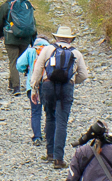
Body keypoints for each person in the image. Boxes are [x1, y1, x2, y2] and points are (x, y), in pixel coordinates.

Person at [35, 25, 89, 169]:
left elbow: (38, 68)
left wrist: (34, 87)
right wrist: (71, 81)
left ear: (57, 37)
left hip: (48, 85)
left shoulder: (48, 49)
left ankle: (50, 153)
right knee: (62, 121)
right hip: (66, 87)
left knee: (50, 117)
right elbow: (83, 75)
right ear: (70, 39)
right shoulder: (76, 53)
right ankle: (59, 159)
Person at [0, 0, 36, 95]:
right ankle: (11, 84)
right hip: (25, 39)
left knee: (13, 62)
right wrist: (32, 39)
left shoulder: (5, 6)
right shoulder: (26, 4)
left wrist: (0, 34)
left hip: (11, 38)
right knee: (20, 61)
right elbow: (32, 22)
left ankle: (16, 87)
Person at [14, 32, 51, 143]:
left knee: (35, 112)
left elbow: (19, 65)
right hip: (48, 84)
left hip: (33, 86)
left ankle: (37, 136)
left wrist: (26, 70)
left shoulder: (30, 51)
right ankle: (49, 134)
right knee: (49, 111)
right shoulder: (50, 51)